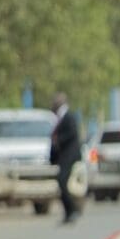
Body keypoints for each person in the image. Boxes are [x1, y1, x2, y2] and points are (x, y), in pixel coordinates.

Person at [48, 93, 83, 224]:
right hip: (63, 157)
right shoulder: (59, 118)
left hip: (69, 156)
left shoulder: (69, 117)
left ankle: (72, 210)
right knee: (62, 183)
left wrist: (58, 140)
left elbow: (71, 134)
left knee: (62, 181)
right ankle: (69, 212)